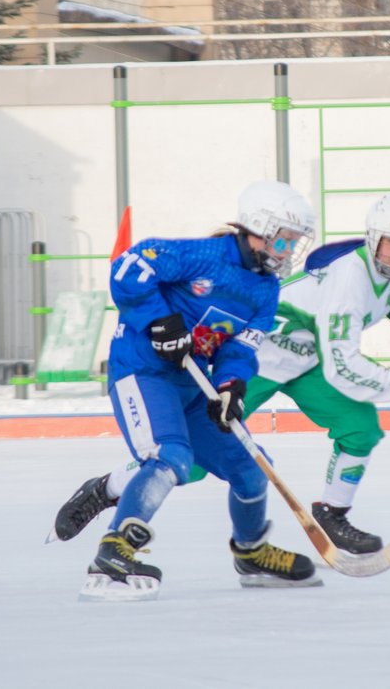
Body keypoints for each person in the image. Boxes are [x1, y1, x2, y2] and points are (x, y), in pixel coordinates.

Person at [54, 192, 390, 556]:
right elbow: (345, 367)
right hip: (268, 357)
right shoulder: (348, 278)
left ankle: (331, 515)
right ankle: (110, 488)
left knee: (360, 428)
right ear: (375, 239)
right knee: (193, 460)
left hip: (309, 362)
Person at [76, 180, 320, 601]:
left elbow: (241, 346)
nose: (288, 250)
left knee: (251, 466)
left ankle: (251, 552)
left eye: (294, 242)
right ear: (257, 228)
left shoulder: (266, 290)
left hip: (192, 381)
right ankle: (115, 551)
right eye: (284, 239)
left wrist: (230, 385)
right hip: (142, 370)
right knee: (170, 456)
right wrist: (160, 321)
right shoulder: (205, 256)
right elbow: (129, 267)